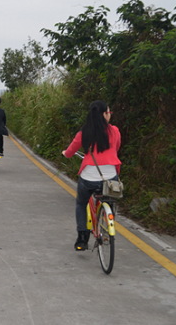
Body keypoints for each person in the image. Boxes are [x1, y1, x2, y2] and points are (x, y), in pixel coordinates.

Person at [61, 100, 121, 251]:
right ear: (104, 114)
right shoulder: (114, 131)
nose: (110, 115)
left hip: (89, 178)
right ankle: (107, 222)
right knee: (110, 199)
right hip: (110, 177)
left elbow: (70, 152)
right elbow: (116, 148)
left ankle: (82, 237)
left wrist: (65, 153)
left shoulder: (84, 133)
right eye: (109, 112)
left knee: (81, 203)